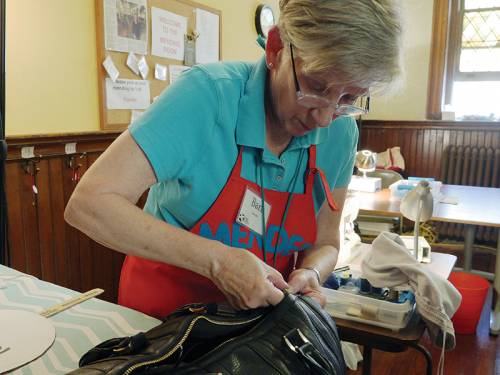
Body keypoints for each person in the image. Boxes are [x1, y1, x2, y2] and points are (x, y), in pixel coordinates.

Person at [65, 0, 403, 319]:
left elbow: (326, 242)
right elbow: (89, 203)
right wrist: (217, 262)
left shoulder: (341, 132)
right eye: (315, 86)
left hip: (257, 331)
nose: (326, 117)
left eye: (349, 98)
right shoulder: (206, 96)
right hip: (160, 324)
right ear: (275, 49)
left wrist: (312, 271)